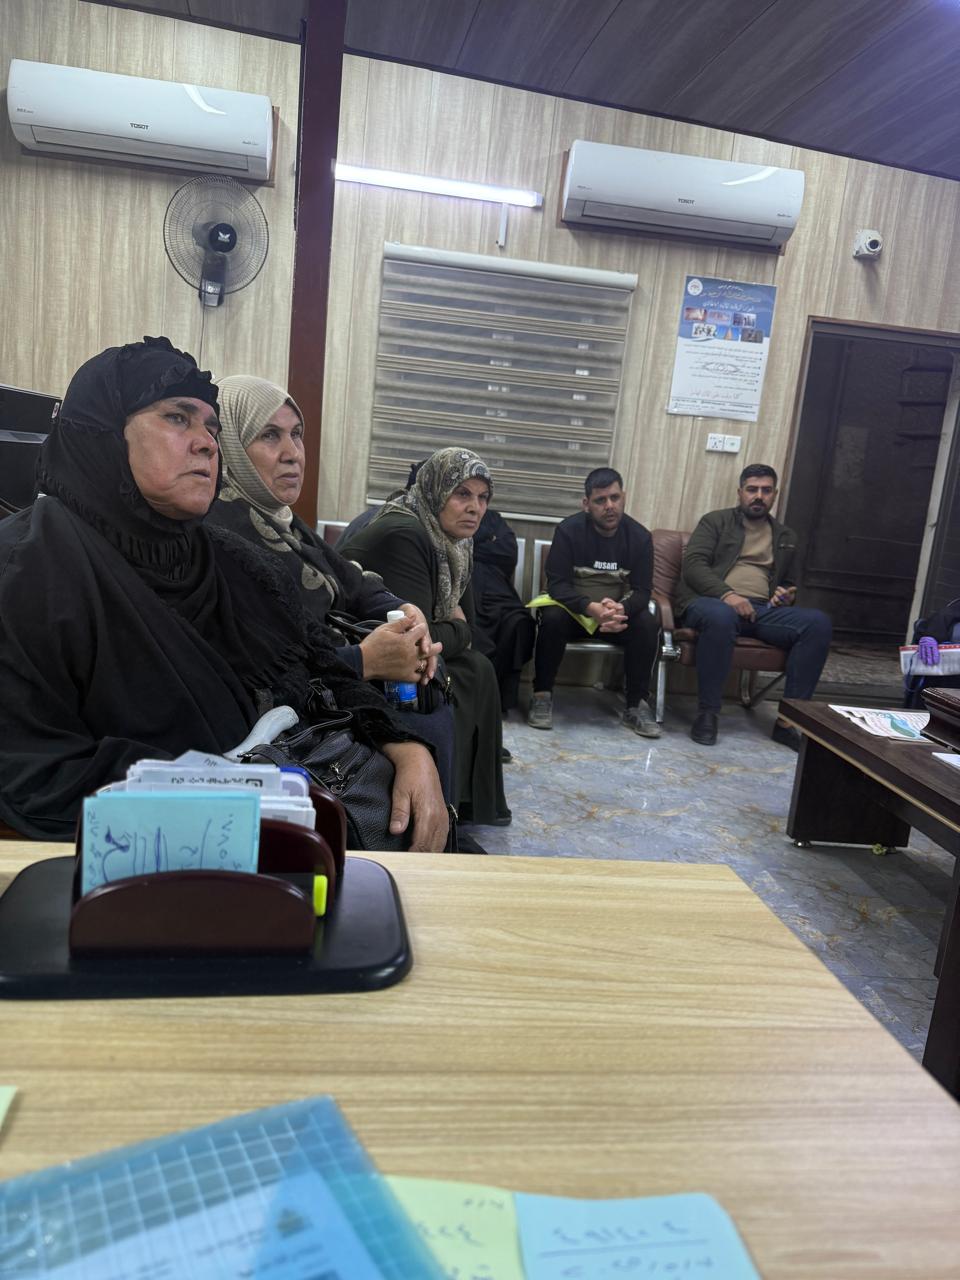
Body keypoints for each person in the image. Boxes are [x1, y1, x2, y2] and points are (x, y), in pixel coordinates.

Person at [0, 337, 447, 850]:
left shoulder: (228, 558)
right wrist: (240, 799)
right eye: (178, 418)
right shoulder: (30, 568)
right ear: (104, 430)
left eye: (212, 427)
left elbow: (318, 665)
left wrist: (405, 746)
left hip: (297, 813)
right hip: (176, 858)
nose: (207, 443)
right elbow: (33, 771)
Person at [206, 377, 455, 801]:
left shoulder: (284, 522)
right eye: (270, 435)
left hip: (338, 683)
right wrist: (364, 660)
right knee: (425, 722)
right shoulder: (218, 535)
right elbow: (263, 667)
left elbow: (354, 582)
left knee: (436, 692)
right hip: (300, 716)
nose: (293, 453)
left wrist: (407, 611)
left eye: (297, 434)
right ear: (228, 445)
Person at [340, 448, 510, 827]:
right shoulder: (406, 532)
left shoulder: (454, 540)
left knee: (477, 665)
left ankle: (461, 802)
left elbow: (465, 624)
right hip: (360, 655)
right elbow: (419, 638)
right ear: (436, 490)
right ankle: (440, 808)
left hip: (405, 646)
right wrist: (459, 628)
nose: (475, 508)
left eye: (483, 497)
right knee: (465, 671)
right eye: (462, 494)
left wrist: (460, 628)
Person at [677, 463, 832, 749]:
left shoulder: (786, 537)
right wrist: (729, 596)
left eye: (766, 490)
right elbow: (694, 566)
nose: (759, 496)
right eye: (752, 489)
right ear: (740, 492)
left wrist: (786, 596)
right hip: (711, 603)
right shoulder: (715, 521)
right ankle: (708, 713)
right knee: (721, 616)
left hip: (761, 611)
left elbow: (788, 583)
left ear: (775, 495)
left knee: (818, 623)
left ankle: (789, 722)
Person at [527, 467, 661, 737]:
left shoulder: (640, 537)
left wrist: (621, 609)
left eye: (615, 498)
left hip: (615, 617)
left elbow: (642, 590)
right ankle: (541, 696)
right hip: (576, 614)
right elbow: (557, 585)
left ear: (624, 497)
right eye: (601, 500)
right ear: (586, 504)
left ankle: (636, 705)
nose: (609, 506)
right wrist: (591, 608)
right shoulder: (568, 530)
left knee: (648, 622)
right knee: (551, 618)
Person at [471, 507, 535, 715]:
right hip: (466, 587)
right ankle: (474, 697)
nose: (475, 504)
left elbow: (508, 553)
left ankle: (501, 699)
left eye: (482, 497)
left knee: (519, 621)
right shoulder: (446, 514)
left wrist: (470, 543)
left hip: (499, 590)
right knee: (470, 622)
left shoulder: (493, 518)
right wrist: (486, 538)